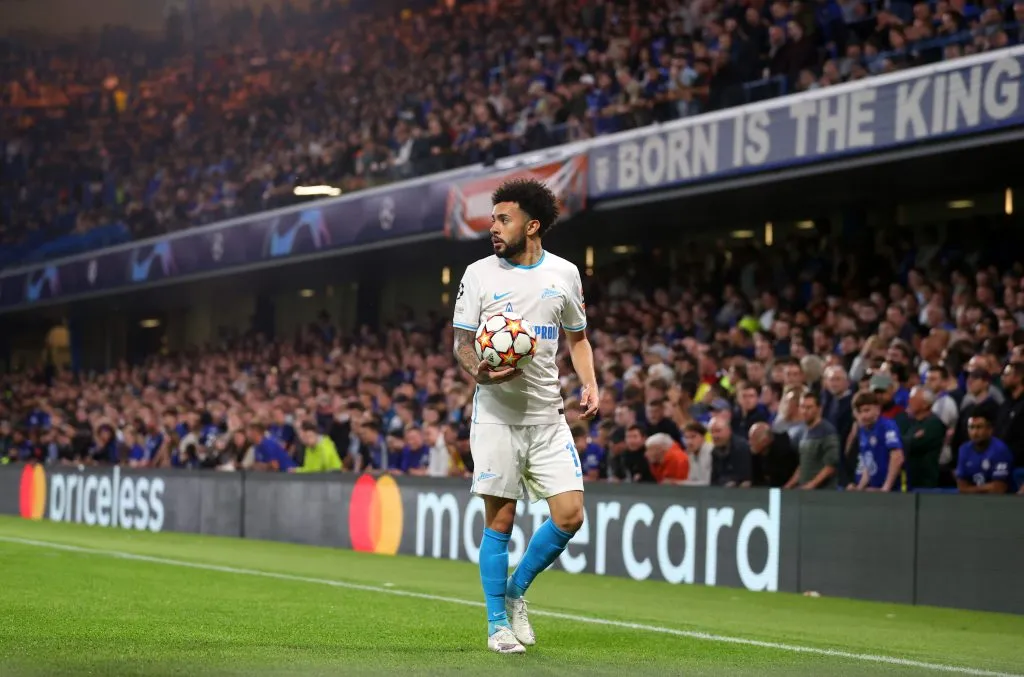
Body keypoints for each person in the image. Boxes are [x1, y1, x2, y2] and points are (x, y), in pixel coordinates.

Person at [450, 178, 597, 654]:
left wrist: (590, 381)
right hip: (495, 415)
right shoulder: (479, 274)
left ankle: (515, 592)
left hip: (548, 417)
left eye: (502, 219)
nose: (493, 228)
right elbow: (462, 344)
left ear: (531, 225)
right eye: (492, 219)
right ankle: (497, 624)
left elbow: (577, 337)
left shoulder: (564, 275)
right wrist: (481, 375)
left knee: (570, 515)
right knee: (501, 519)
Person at [850, 391, 904, 491]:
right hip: (875, 489)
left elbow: (897, 457)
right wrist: (860, 488)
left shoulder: (887, 426)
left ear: (877, 409)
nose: (863, 416)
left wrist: (886, 487)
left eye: (867, 410)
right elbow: (869, 464)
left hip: (896, 490)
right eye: (859, 412)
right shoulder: (863, 430)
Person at [956, 409, 1015, 494]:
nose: (974, 432)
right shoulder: (964, 449)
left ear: (989, 430)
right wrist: (988, 487)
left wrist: (970, 489)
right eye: (971, 427)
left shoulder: (1000, 450)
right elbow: (961, 488)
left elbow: (999, 488)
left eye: (979, 427)